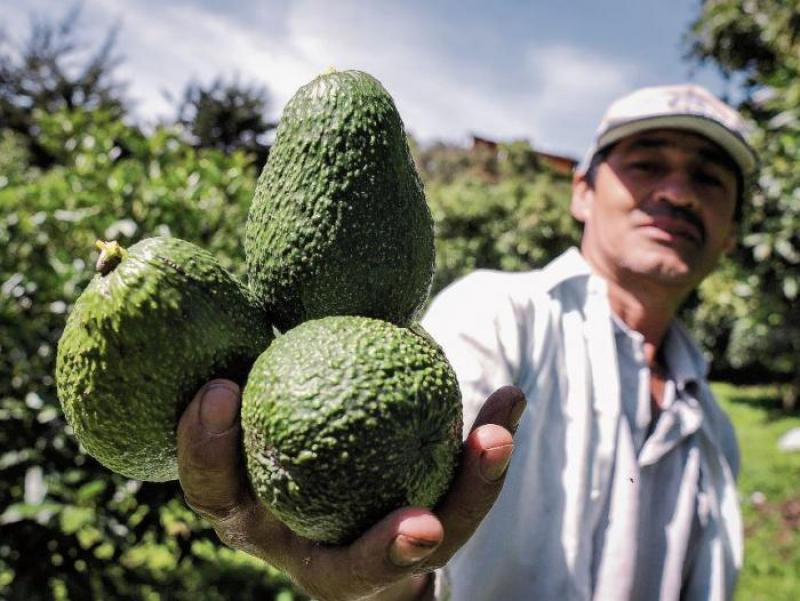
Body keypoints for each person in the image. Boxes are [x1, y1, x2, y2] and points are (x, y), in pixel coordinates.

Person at [176, 83, 757, 601]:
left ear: (732, 230)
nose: (678, 192)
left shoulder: (713, 425)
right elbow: (399, 481)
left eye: (708, 177)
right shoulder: (498, 311)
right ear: (582, 191)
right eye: (648, 165)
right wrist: (383, 579)